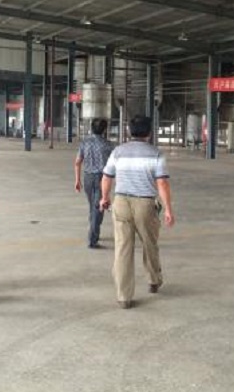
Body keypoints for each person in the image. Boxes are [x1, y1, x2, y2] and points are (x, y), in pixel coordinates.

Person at [100, 115, 175, 310]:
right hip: (145, 204)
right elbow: (162, 183)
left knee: (123, 248)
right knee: (150, 244)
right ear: (149, 132)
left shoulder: (118, 152)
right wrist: (168, 209)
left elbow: (107, 177)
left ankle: (124, 297)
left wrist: (104, 198)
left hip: (121, 202)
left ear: (129, 131)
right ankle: (153, 280)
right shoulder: (155, 154)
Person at [74, 118, 115, 249]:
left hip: (87, 178)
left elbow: (77, 162)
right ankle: (92, 239)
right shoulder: (108, 145)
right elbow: (114, 165)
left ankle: (94, 229)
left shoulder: (85, 143)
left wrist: (77, 180)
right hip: (102, 178)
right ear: (105, 129)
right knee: (98, 208)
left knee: (94, 206)